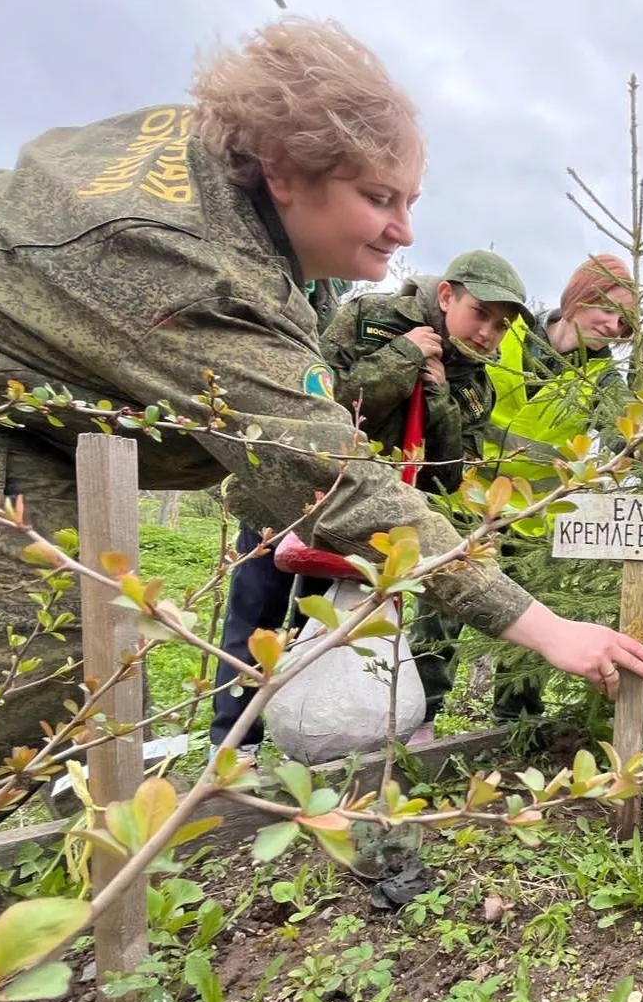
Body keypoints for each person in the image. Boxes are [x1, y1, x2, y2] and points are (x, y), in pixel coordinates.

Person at [0, 19, 643, 782]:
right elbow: (333, 476)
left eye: (409, 199)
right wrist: (546, 628)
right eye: (378, 197)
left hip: (15, 415)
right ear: (284, 170)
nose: (403, 229)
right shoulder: (195, 273)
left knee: (79, 649)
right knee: (30, 659)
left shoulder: (222, 179)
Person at [209, 250, 531, 750]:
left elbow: (446, 477)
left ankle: (310, 742)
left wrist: (439, 398)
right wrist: (401, 357)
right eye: (480, 313)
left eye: (502, 325)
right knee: (257, 616)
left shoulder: (475, 388)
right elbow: (315, 400)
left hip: (363, 522)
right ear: (448, 296)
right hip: (285, 494)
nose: (488, 333)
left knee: (321, 629)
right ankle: (233, 745)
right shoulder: (371, 320)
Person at [482, 254, 643, 723]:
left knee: (533, 621)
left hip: (535, 518)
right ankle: (423, 720)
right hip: (467, 504)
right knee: (440, 615)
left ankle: (516, 725)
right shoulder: (509, 335)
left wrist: (641, 444)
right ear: (579, 295)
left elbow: (619, 421)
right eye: (607, 309)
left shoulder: (601, 375)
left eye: (623, 322)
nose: (612, 326)